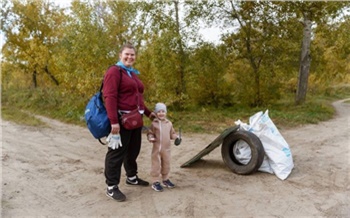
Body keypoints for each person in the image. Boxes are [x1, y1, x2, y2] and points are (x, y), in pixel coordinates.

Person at [103, 43, 155, 202]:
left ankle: (131, 177)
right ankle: (111, 187)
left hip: (135, 120)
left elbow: (137, 98)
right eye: (127, 54)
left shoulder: (131, 73)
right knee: (116, 153)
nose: (130, 57)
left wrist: (148, 113)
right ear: (120, 55)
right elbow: (110, 97)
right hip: (121, 120)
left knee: (133, 151)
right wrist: (114, 122)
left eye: (132, 55)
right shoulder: (114, 71)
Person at [147, 102, 182, 192]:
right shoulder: (154, 124)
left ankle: (165, 179)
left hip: (166, 149)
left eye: (163, 111)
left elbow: (172, 134)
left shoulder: (169, 123)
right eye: (159, 111)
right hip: (157, 150)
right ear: (155, 113)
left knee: (166, 164)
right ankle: (155, 182)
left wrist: (176, 138)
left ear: (166, 113)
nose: (161, 113)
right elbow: (150, 133)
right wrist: (151, 138)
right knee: (156, 165)